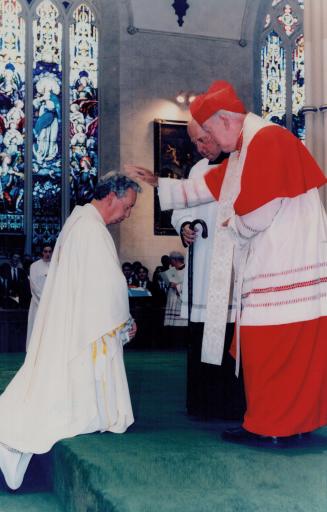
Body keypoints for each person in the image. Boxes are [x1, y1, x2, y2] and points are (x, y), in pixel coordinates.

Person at [125, 80, 327, 445]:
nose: (210, 145)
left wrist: (231, 227)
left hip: (283, 263)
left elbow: (259, 213)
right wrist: (159, 184)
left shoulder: (268, 140)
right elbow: (208, 186)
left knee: (271, 348)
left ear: (223, 120)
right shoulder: (251, 148)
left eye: (208, 135)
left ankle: (270, 427)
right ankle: (288, 424)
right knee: (278, 349)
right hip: (279, 261)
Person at [0, 171, 141, 490]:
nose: (127, 214)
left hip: (77, 320)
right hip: (87, 324)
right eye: (127, 206)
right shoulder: (90, 230)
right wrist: (124, 322)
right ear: (111, 197)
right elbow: (108, 286)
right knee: (56, 407)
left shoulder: (80, 223)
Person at [170, 119, 245, 419]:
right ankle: (202, 403)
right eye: (196, 143)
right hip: (202, 269)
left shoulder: (242, 165)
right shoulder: (198, 170)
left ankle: (231, 404)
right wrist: (184, 226)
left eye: (204, 140)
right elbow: (181, 209)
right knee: (201, 334)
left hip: (231, 267)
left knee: (228, 333)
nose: (200, 148)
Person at [26, 244, 53, 350]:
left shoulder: (55, 266)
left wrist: (52, 299)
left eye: (50, 251)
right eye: (45, 251)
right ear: (42, 252)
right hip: (38, 303)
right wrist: (44, 299)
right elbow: (33, 285)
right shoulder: (34, 266)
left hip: (51, 303)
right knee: (36, 327)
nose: (47, 254)